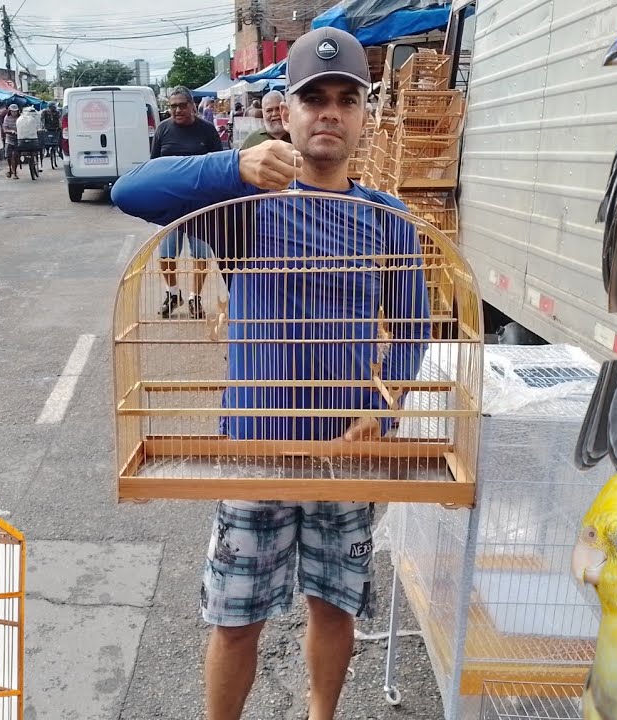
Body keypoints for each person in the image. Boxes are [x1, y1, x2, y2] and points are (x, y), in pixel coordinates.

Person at [111, 27, 430, 720]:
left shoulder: (388, 220)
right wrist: (235, 166)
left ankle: (322, 714)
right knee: (235, 616)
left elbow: (412, 327)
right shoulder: (245, 211)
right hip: (252, 445)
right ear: (285, 111)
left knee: (334, 604)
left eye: (347, 98)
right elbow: (129, 189)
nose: (330, 111)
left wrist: (388, 402)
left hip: (346, 447)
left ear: (364, 117)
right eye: (314, 97)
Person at [149, 86, 223, 320]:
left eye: (182, 105)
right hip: (170, 206)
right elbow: (154, 166)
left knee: (200, 255)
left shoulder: (207, 130)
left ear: (193, 106)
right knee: (166, 256)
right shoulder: (163, 130)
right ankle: (173, 294)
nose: (178, 110)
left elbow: (217, 166)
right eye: (173, 106)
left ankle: (194, 298)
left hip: (200, 206)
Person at [14, 105, 42, 177]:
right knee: (37, 147)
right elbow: (38, 128)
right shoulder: (33, 119)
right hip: (33, 142)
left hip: (21, 143)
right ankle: (37, 163)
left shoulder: (19, 119)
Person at [2, 103, 21, 178]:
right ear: (10, 111)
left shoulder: (20, 118)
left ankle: (15, 172)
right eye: (12, 111)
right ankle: (10, 169)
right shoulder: (7, 118)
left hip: (18, 139)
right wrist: (11, 131)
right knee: (8, 156)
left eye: (15, 111)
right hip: (9, 139)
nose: (14, 113)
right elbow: (5, 129)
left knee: (15, 156)